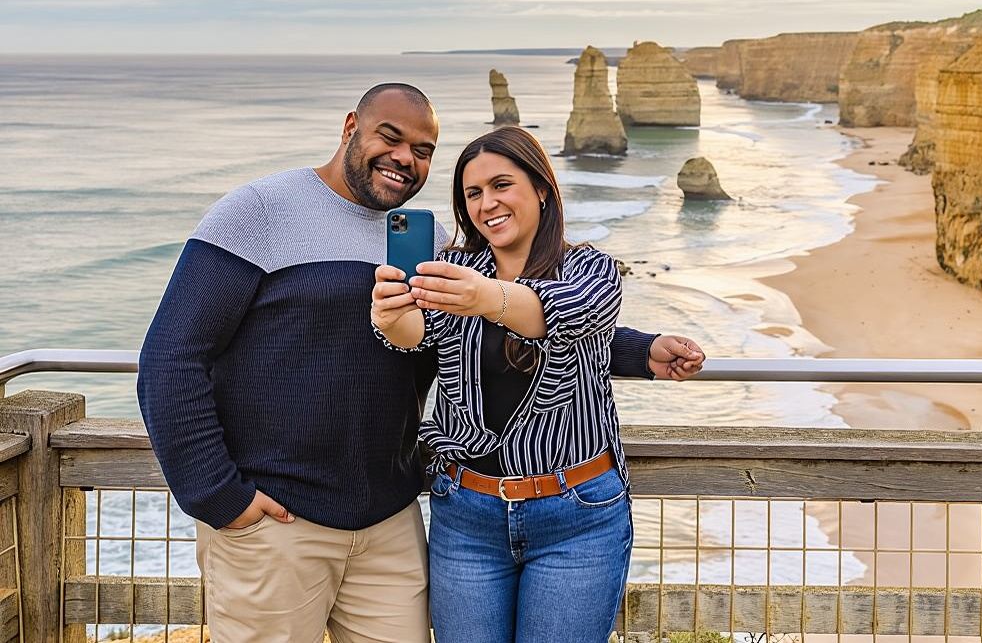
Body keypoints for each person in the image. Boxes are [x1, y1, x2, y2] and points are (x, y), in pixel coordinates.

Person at [138, 83, 704, 643]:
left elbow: (509, 327)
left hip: (390, 523)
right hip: (281, 524)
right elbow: (171, 355)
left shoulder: (425, 241)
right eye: (391, 136)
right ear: (349, 128)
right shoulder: (260, 210)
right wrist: (217, 495)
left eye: (424, 150)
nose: (405, 158)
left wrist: (635, 348)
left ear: (543, 192)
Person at [372, 125, 639, 643]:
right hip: (467, 515)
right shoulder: (451, 267)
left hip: (577, 514)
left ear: (541, 187)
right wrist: (389, 317)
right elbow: (414, 336)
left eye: (501, 185)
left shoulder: (592, 269)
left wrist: (485, 297)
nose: (486, 203)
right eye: (473, 193)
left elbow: (566, 314)